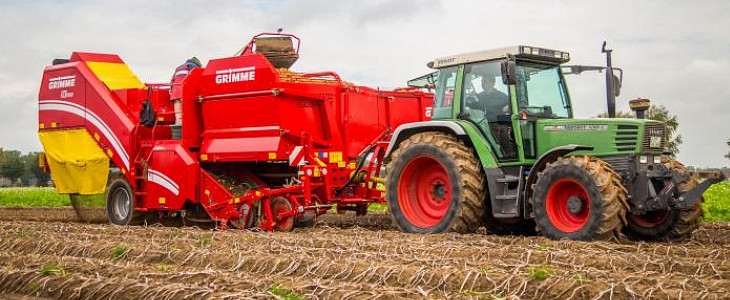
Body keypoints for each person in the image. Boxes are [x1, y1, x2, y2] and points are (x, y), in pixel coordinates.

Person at [170, 57, 202, 126]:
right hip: (185, 93)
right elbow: (196, 80)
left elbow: (172, 81)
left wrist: (171, 92)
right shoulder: (194, 67)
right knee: (189, 115)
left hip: (175, 94)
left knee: (178, 116)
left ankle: (179, 134)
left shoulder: (178, 68)